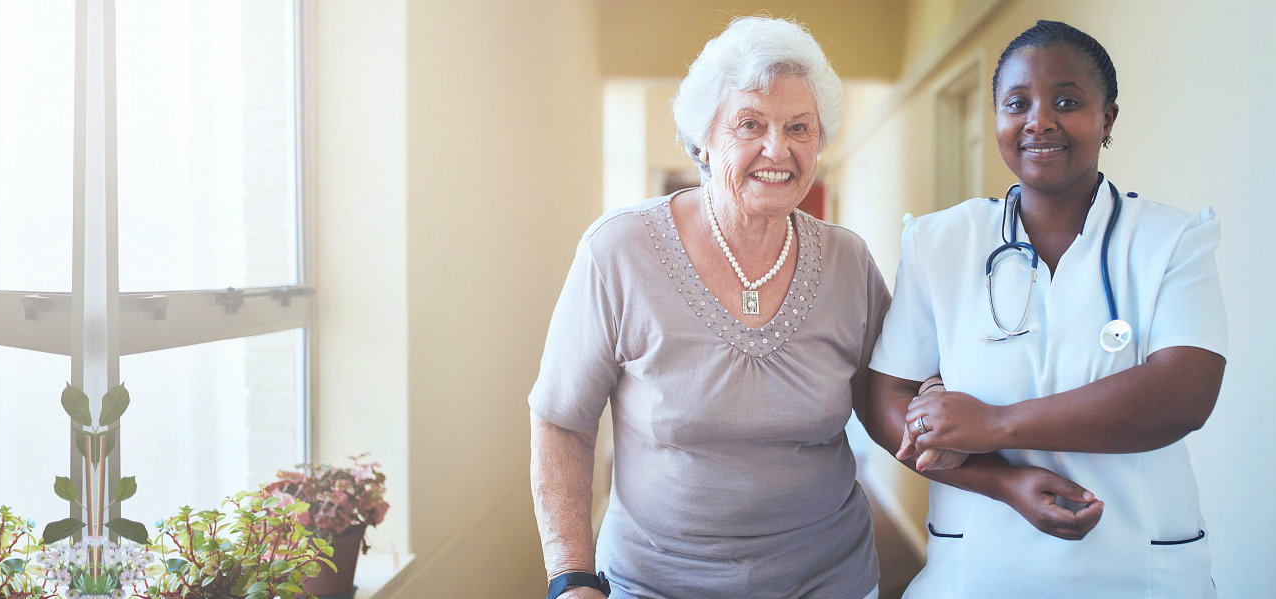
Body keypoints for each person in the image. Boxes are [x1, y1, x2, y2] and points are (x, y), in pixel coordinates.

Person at [859, 20, 1229, 597]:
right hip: (979, 569)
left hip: (1137, 570)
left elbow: (1184, 393)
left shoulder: (1170, 241)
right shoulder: (939, 242)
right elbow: (884, 396)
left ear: (1107, 118)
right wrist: (1003, 482)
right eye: (1017, 103)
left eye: (1067, 101)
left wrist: (994, 423)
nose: (1039, 121)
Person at [526, 16, 888, 599]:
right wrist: (571, 577)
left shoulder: (849, 262)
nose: (779, 148)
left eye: (800, 127)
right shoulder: (619, 251)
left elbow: (889, 398)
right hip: (657, 582)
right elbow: (563, 421)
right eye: (750, 124)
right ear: (703, 138)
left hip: (828, 578)